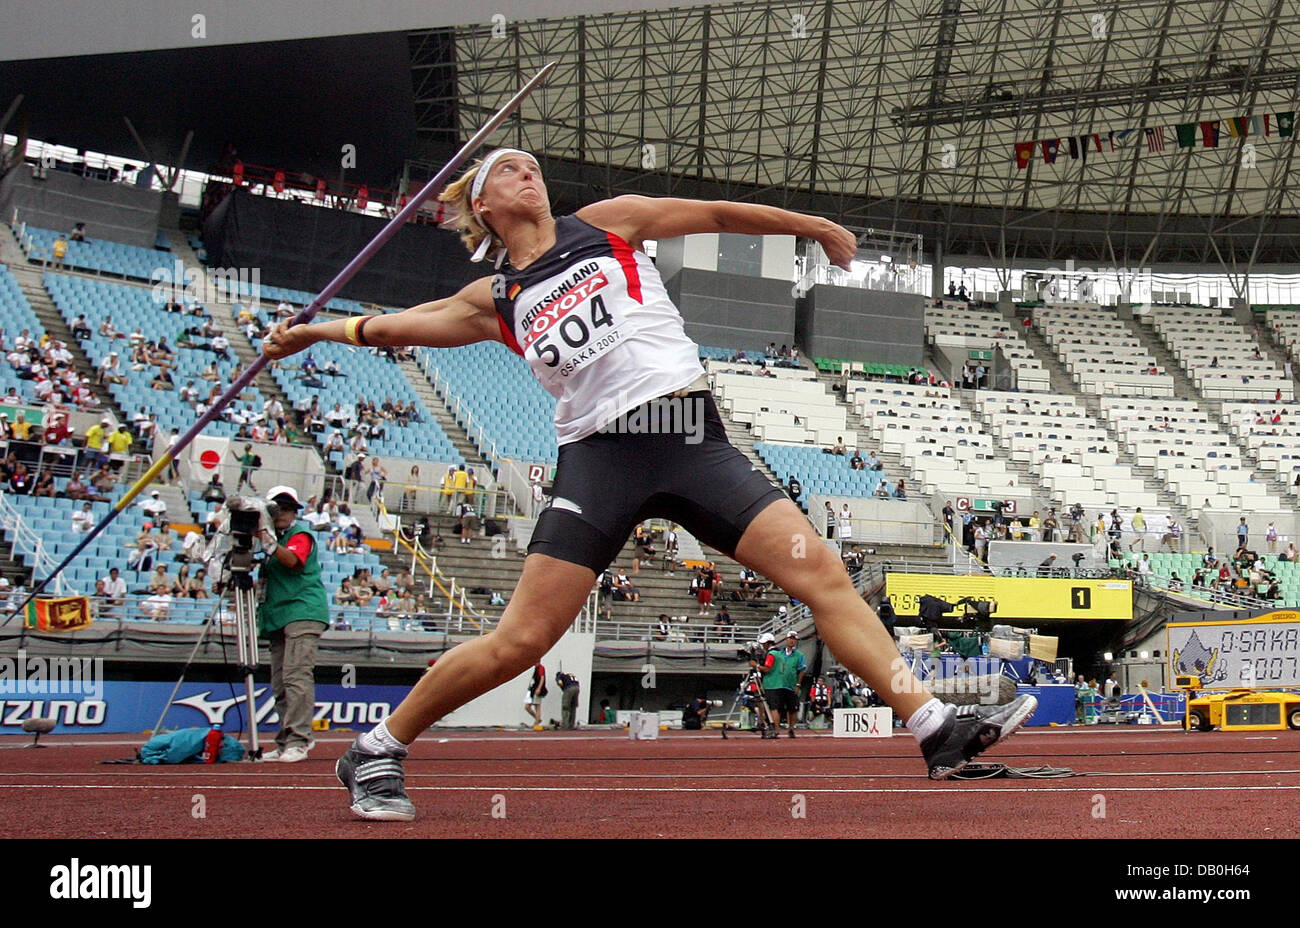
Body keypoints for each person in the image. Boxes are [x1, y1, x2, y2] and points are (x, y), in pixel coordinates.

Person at [263, 147, 1036, 820]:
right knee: (522, 642)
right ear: (482, 207)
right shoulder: (495, 300)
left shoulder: (607, 221)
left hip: (692, 441)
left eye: (529, 163)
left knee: (823, 576)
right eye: (506, 170)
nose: (526, 171)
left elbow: (714, 214)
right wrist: (309, 332)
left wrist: (810, 226)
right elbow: (394, 326)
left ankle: (934, 726)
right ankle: (375, 747)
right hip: (602, 460)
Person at [256, 486, 330, 764]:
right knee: (279, 683)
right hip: (277, 615)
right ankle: (286, 739)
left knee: (296, 676)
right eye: (277, 509)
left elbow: (294, 561)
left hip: (302, 611)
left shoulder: (299, 535)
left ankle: (299, 739)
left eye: (288, 509)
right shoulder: (272, 541)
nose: (283, 513)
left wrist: (269, 543)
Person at [757, 630, 807, 737]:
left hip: (791, 684)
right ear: (786, 639)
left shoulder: (799, 655)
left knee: (792, 708)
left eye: (794, 639)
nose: (792, 641)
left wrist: (798, 684)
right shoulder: (780, 653)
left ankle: (791, 728)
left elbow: (802, 670)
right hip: (780, 683)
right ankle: (776, 728)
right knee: (778, 707)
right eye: (790, 638)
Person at [524, 663, 546, 729]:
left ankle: (536, 722)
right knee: (527, 706)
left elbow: (542, 678)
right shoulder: (536, 669)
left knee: (537, 706)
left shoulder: (541, 668)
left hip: (537, 689)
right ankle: (537, 718)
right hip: (532, 689)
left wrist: (539, 688)